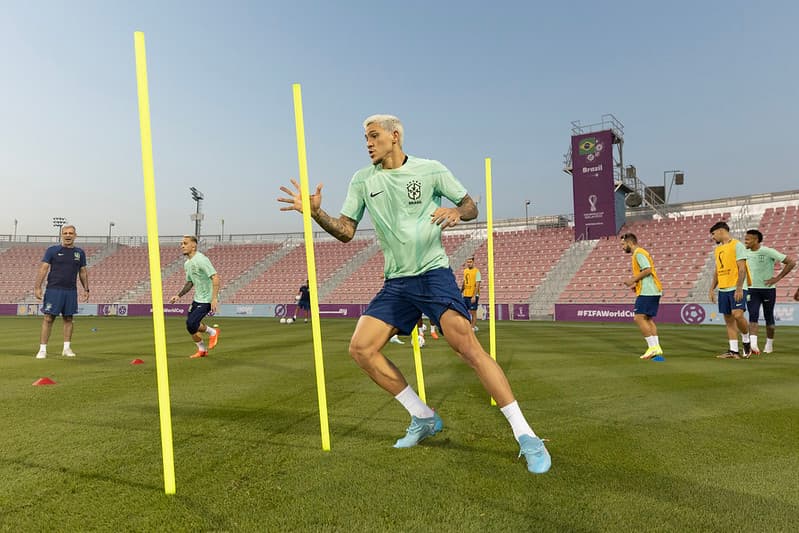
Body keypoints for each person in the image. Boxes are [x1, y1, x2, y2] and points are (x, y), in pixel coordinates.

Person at [278, 114, 550, 474]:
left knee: (466, 346)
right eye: (365, 138)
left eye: (374, 136)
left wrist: (456, 211)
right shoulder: (362, 180)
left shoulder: (431, 169)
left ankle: (526, 436)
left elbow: (471, 206)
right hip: (396, 283)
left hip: (433, 275)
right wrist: (315, 213)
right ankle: (422, 417)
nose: (368, 143)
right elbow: (345, 231)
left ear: (395, 136)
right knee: (361, 349)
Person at [33, 225, 90, 359]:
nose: (68, 235)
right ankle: (42, 349)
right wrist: (37, 287)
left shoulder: (80, 253)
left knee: (69, 318)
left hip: (70, 291)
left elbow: (82, 271)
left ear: (75, 235)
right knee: (48, 318)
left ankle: (66, 348)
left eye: (71, 233)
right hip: (54, 290)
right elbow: (43, 268)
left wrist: (86, 289)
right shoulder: (52, 250)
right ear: (61, 235)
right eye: (65, 233)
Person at [743, 229, 796, 354]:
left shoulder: (768, 251)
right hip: (751, 289)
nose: (745, 241)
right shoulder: (745, 253)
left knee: (769, 317)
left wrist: (778, 278)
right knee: (753, 315)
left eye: (748, 239)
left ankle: (769, 343)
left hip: (768, 290)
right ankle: (754, 346)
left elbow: (791, 262)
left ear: (756, 240)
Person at [169, 235, 220, 358]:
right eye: (182, 243)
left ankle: (213, 332)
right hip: (197, 299)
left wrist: (214, 298)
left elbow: (215, 277)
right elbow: (190, 282)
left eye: (185, 243)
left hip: (207, 299)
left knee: (192, 323)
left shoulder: (202, 259)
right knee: (190, 326)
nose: (182, 246)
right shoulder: (187, 264)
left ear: (194, 245)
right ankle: (202, 350)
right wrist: (178, 295)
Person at [708, 222, 752, 359]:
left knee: (738, 315)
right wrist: (711, 289)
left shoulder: (737, 245)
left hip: (736, 286)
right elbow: (717, 270)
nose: (713, 237)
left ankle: (746, 339)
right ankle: (733, 351)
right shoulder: (718, 250)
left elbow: (742, 268)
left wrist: (739, 288)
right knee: (728, 319)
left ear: (721, 231)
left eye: (713, 234)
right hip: (723, 287)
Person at [620, 233, 664, 359]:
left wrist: (632, 280)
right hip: (653, 290)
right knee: (648, 319)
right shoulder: (641, 252)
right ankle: (657, 348)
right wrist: (637, 285)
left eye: (623, 244)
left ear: (630, 243)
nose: (622, 247)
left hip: (648, 291)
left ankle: (652, 348)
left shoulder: (638, 253)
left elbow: (647, 270)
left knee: (638, 318)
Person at [461, 257, 482, 331]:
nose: (469, 263)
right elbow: (464, 282)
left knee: (473, 312)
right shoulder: (465, 271)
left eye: (470, 262)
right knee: (464, 311)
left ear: (473, 262)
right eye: (468, 262)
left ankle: (472, 328)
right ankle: (468, 325)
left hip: (473, 295)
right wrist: (461, 291)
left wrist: (474, 296)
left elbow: (477, 285)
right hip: (466, 294)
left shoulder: (477, 271)